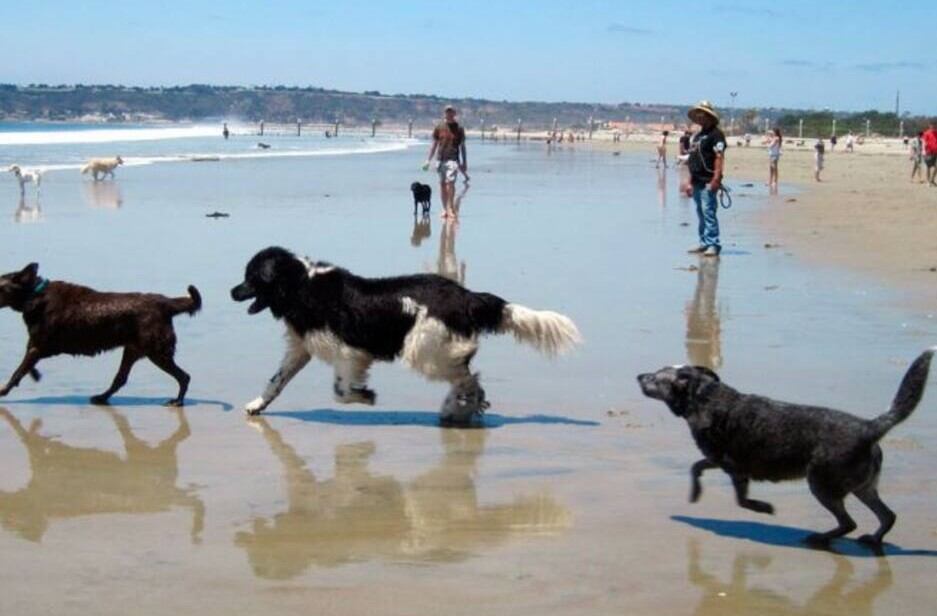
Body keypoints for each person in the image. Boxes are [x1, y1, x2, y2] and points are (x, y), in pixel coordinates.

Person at [685, 101, 726, 258]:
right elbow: (692, 159)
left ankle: (713, 244)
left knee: (709, 212)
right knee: (700, 212)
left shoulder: (716, 135)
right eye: (698, 115)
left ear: (709, 116)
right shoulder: (698, 136)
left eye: (702, 114)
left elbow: (719, 157)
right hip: (696, 179)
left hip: (708, 179)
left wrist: (716, 178)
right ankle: (703, 242)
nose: (699, 117)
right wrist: (689, 182)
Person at [424, 105, 468, 218]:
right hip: (440, 159)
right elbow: (434, 144)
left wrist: (464, 162)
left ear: (454, 113)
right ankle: (444, 209)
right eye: (447, 112)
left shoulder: (459, 128)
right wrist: (428, 160)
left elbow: (462, 146)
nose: (448, 114)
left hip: (453, 159)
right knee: (442, 185)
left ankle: (450, 208)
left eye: (450, 112)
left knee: (451, 184)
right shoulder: (439, 127)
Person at [923, 121, 937, 187]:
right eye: (932, 125)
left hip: (936, 152)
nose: (933, 126)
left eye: (934, 125)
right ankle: (928, 181)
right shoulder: (926, 133)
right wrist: (924, 151)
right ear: (929, 125)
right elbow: (924, 143)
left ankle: (932, 180)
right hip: (929, 153)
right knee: (928, 167)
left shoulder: (936, 133)